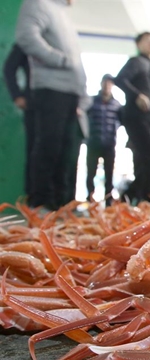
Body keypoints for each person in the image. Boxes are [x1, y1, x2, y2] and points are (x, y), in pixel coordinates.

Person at [15, 0, 88, 211]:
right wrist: (60, 60)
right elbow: (26, 36)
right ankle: (41, 206)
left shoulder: (62, 13)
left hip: (69, 94)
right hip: (51, 90)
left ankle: (59, 208)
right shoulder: (38, 4)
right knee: (49, 148)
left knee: (65, 153)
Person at [115, 31, 150, 203]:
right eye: (147, 41)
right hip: (137, 117)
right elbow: (119, 79)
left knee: (145, 159)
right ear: (138, 44)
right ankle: (139, 197)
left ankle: (135, 196)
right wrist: (137, 96)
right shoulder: (136, 62)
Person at [85, 74, 122, 204]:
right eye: (105, 83)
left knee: (109, 175)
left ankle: (109, 202)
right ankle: (89, 200)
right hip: (93, 143)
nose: (107, 85)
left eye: (109, 83)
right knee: (90, 173)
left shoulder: (117, 105)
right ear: (101, 84)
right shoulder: (91, 102)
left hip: (110, 145)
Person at [3, 43, 34, 195]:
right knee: (35, 152)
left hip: (53, 106)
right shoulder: (25, 42)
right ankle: (34, 201)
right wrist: (17, 95)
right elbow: (9, 68)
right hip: (33, 105)